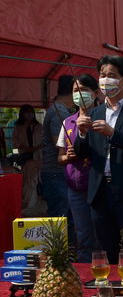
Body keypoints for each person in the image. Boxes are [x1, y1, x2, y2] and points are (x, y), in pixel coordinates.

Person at [74, 55, 123, 263]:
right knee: (105, 246)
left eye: (111, 76)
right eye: (102, 75)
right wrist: (81, 133)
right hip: (100, 191)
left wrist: (113, 133)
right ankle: (108, 288)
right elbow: (82, 152)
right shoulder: (95, 111)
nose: (105, 80)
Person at [57, 74, 101, 262]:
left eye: (84, 89)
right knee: (82, 234)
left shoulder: (102, 118)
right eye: (76, 90)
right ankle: (83, 274)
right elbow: (59, 157)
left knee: (100, 234)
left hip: (98, 187)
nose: (80, 94)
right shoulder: (67, 122)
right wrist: (68, 156)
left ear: (95, 93)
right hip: (75, 188)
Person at [40, 75, 74, 221]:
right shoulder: (59, 112)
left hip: (56, 173)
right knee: (61, 218)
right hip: (55, 173)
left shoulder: (58, 109)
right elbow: (59, 143)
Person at [12, 104, 45, 217]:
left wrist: (36, 148)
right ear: (22, 114)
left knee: (36, 180)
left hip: (38, 156)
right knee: (28, 181)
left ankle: (34, 205)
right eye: (27, 112)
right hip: (26, 157)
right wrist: (24, 147)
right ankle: (29, 205)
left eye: (31, 112)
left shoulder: (39, 126)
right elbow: (15, 141)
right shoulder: (18, 126)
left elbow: (45, 140)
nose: (29, 114)